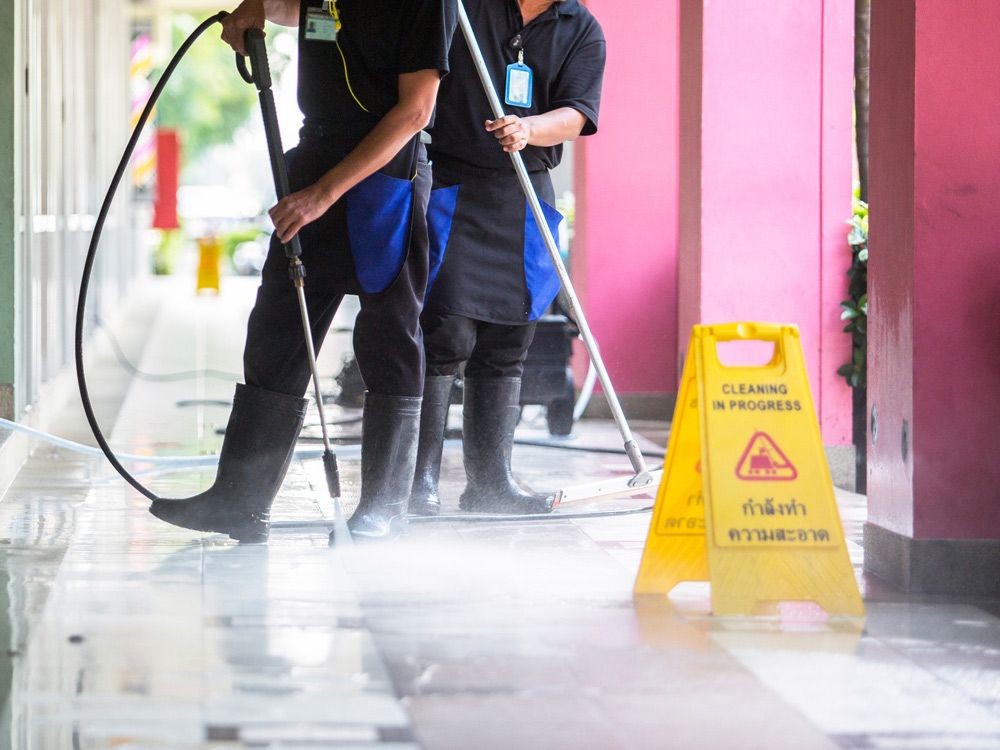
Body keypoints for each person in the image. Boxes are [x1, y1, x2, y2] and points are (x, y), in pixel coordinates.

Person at [150, 0, 457, 542]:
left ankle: (385, 506)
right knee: (277, 331)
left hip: (384, 175)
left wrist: (324, 194)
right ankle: (239, 500)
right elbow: (293, 9)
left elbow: (416, 112)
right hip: (314, 158)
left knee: (388, 338)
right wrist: (252, 8)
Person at [409, 0, 606, 516]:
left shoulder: (581, 28)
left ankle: (491, 483)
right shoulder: (464, 7)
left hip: (525, 191)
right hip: (454, 183)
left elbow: (579, 113)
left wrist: (529, 129)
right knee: (445, 331)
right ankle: (418, 481)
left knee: (509, 338)